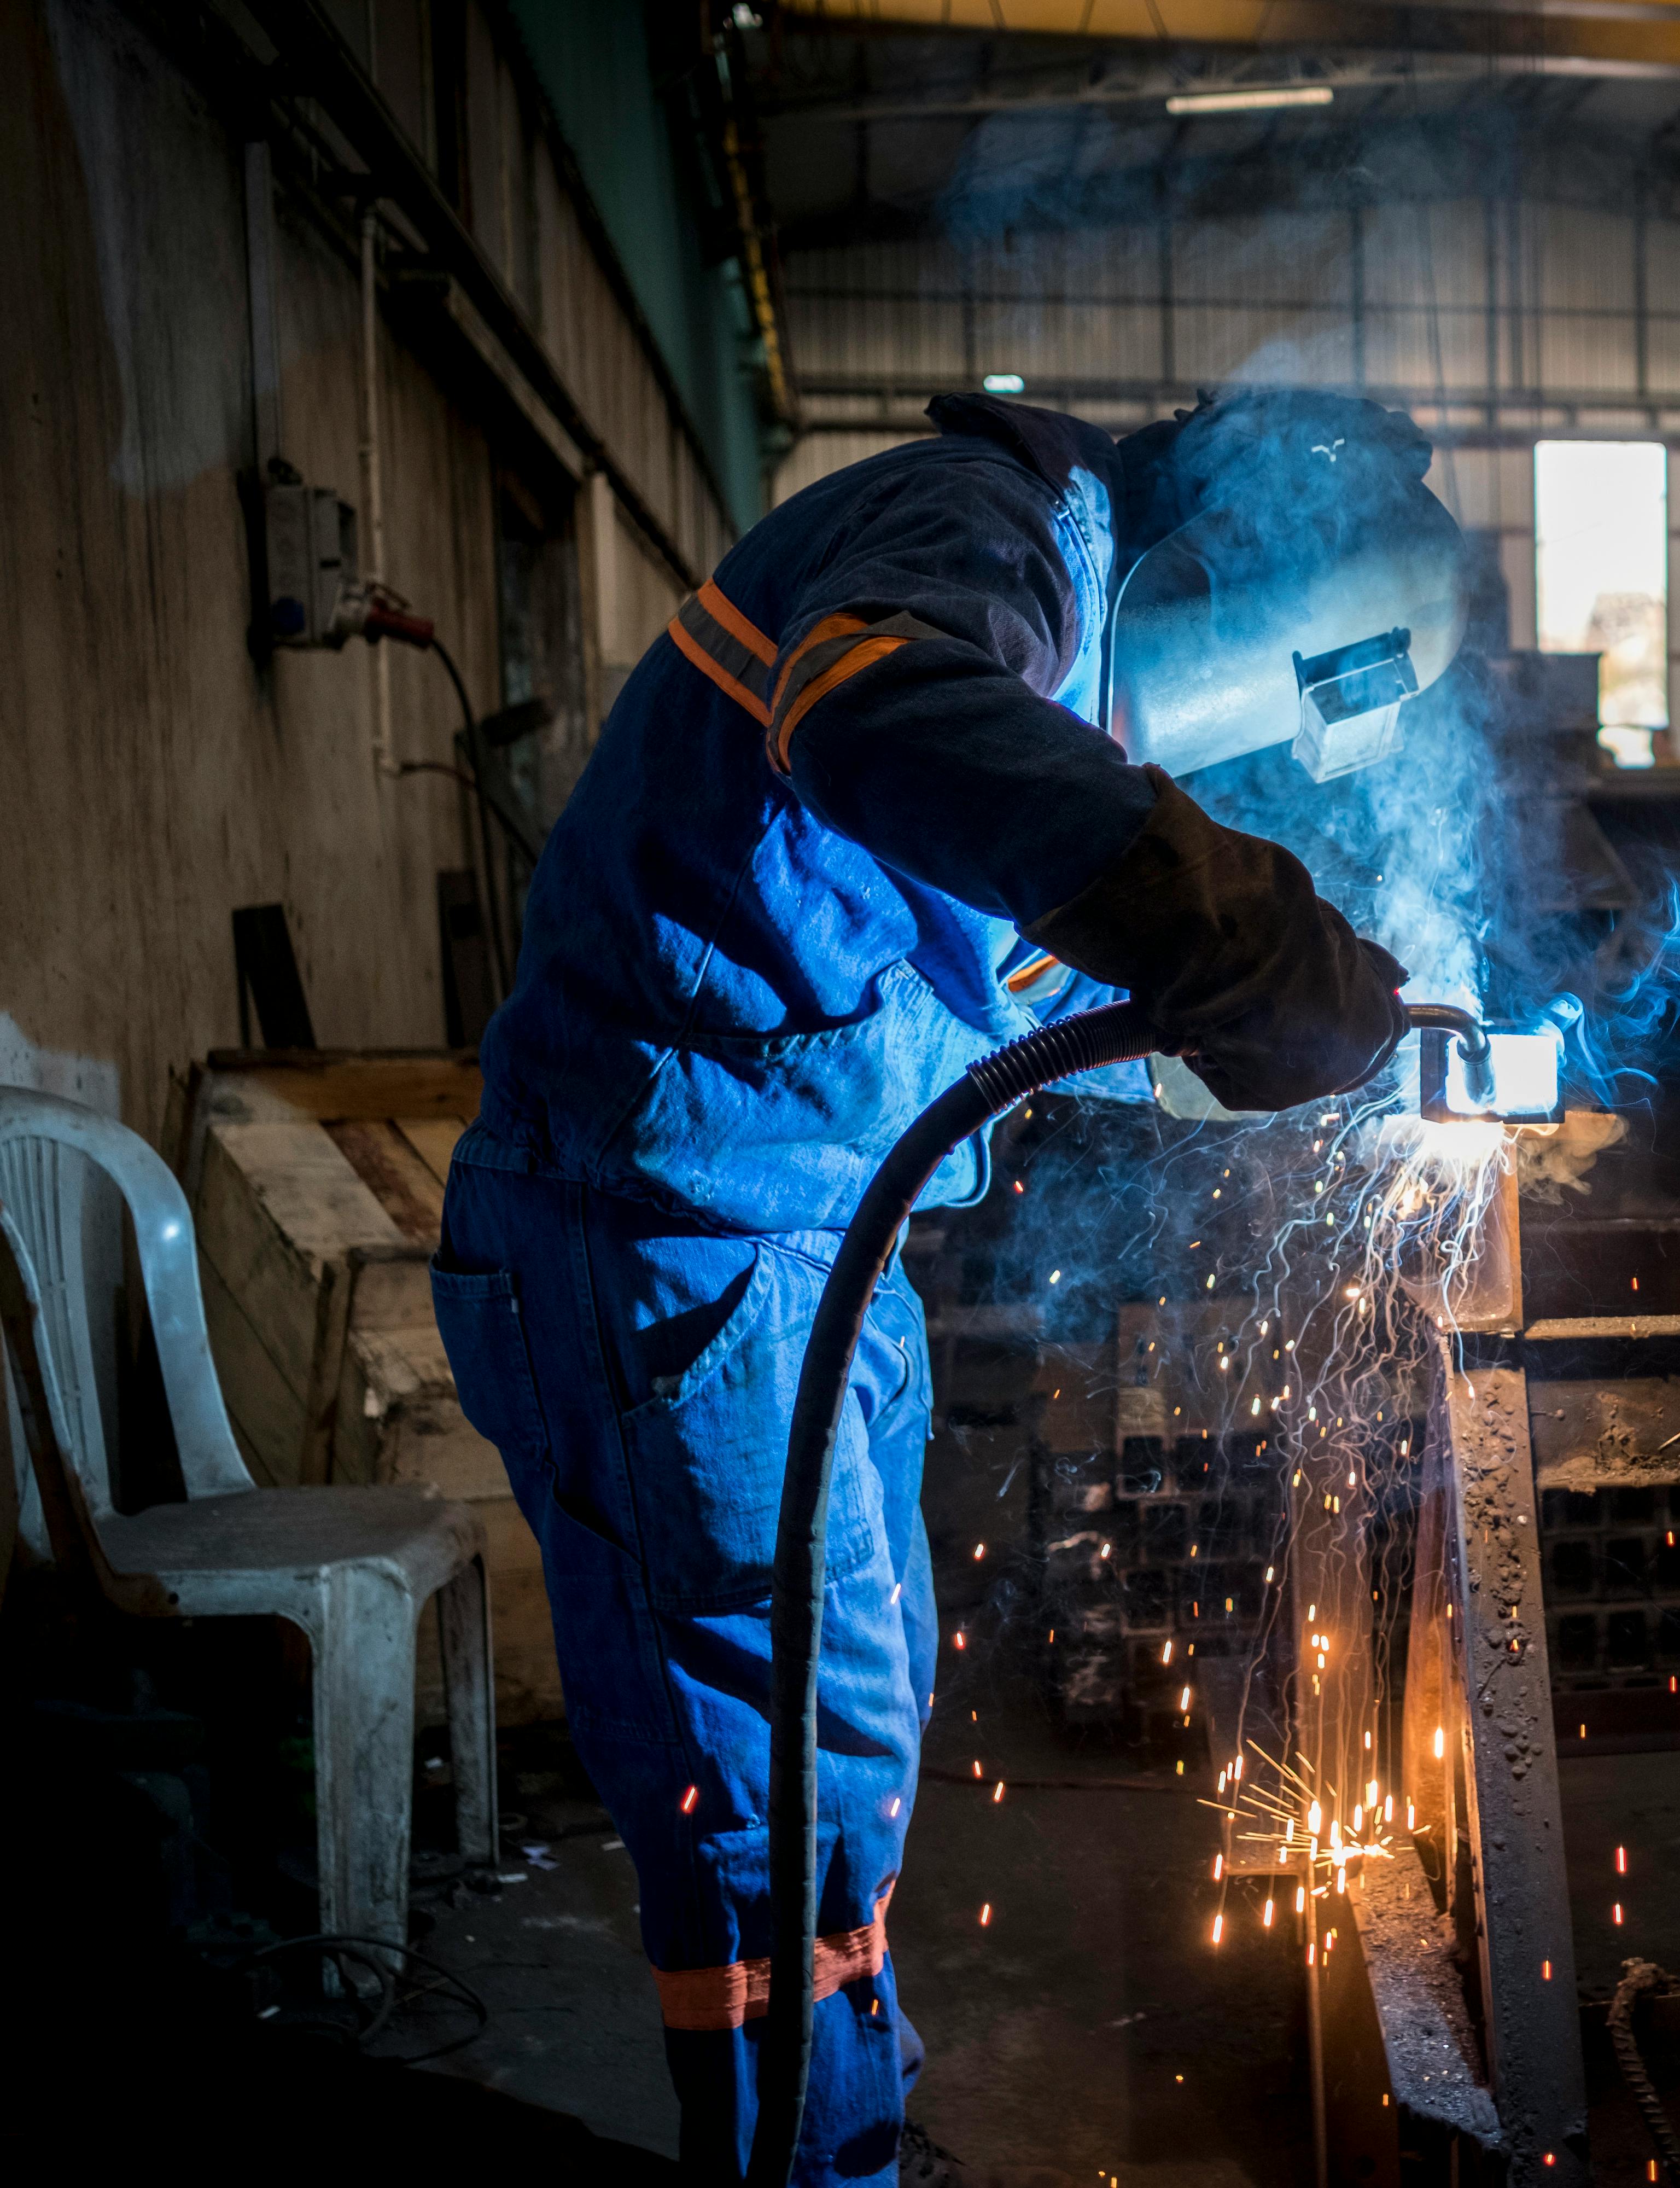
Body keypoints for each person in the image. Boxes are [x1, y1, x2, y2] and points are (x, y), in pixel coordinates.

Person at [428, 391, 1462, 2183]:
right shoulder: (996, 538)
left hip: (806, 1240)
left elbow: (1037, 988)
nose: (1237, 783)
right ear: (1227, 579)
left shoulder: (1049, 667)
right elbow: (866, 706)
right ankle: (807, 2166)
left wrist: (1307, 1007)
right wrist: (1202, 914)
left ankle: (853, 2132)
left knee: (862, 1725)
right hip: (671, 1243)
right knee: (778, 1807)